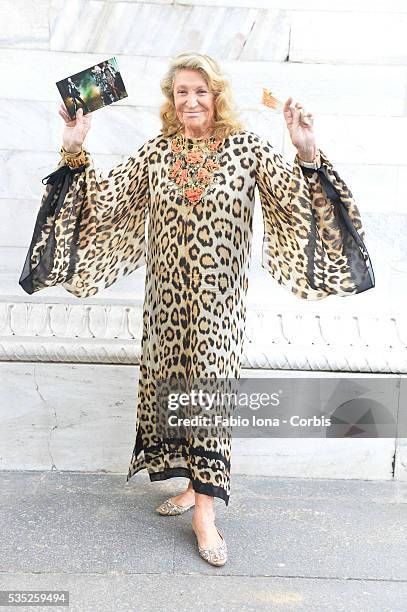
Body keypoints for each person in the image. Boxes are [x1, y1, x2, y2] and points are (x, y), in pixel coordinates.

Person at [19, 51, 374, 567]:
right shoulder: (157, 152)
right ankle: (192, 484)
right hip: (164, 302)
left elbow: (300, 204)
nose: (190, 101)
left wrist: (307, 149)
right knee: (175, 390)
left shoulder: (246, 150)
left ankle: (205, 513)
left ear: (217, 96)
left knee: (207, 392)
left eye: (200, 91)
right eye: (182, 91)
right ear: (172, 97)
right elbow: (104, 200)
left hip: (218, 306)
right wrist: (76, 148)